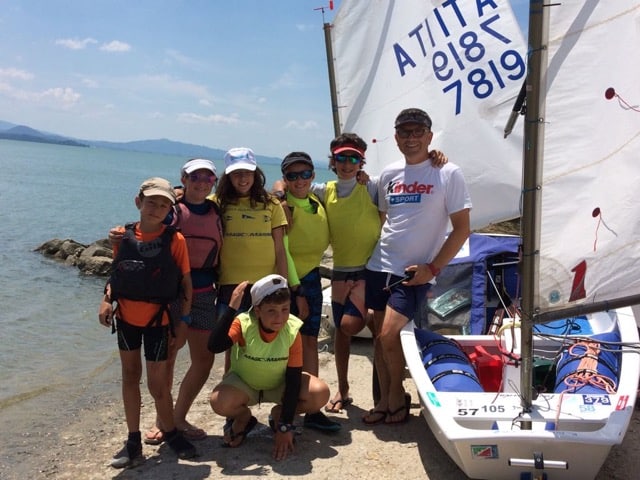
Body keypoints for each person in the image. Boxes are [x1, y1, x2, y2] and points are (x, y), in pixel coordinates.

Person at [363, 108, 471, 425]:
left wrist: (433, 268)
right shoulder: (388, 174)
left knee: (389, 334)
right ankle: (384, 401)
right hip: (378, 265)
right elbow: (384, 221)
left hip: (413, 272)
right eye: (404, 133)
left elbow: (462, 229)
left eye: (417, 132)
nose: (411, 138)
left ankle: (397, 398)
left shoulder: (448, 172)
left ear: (428, 135)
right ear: (396, 137)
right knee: (379, 338)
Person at [109, 159, 223, 445]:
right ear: (183, 179)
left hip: (206, 291)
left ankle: (177, 416)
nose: (201, 182)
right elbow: (146, 231)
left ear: (214, 183)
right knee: (167, 358)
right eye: (194, 176)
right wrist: (117, 237)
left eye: (207, 178)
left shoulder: (219, 210)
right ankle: (164, 421)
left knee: (204, 358)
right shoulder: (172, 212)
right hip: (172, 294)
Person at [98, 177, 196, 468]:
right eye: (151, 201)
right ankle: (132, 439)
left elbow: (186, 283)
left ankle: (171, 432)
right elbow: (118, 273)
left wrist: (184, 321)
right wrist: (106, 299)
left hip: (158, 321)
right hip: (127, 318)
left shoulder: (175, 240)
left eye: (163, 204)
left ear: (170, 209)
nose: (156, 208)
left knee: (157, 383)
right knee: (130, 377)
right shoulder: (123, 236)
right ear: (138, 202)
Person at [208, 274, 330, 461]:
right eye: (271, 311)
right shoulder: (243, 322)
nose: (279, 317)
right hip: (245, 384)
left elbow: (293, 378)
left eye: (284, 309)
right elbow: (214, 346)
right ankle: (243, 419)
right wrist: (232, 308)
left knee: (320, 392)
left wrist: (284, 426)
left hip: (278, 385)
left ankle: (278, 415)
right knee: (218, 401)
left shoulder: (292, 330)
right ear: (257, 311)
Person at [277, 151, 340, 432]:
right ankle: (285, 409)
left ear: (313, 176)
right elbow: (284, 250)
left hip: (313, 276)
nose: (299, 180)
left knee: (311, 341)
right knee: (288, 345)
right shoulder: (281, 205)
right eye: (292, 175)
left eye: (304, 174)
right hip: (290, 281)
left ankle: (312, 408)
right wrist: (296, 289)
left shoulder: (317, 201)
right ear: (285, 179)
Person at [214, 147, 290, 316]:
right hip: (229, 284)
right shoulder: (216, 203)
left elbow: (280, 249)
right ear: (228, 177)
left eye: (247, 172)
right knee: (227, 340)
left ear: (255, 174)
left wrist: (284, 285)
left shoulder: (272, 204)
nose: (243, 178)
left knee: (263, 339)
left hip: (266, 285)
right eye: (237, 173)